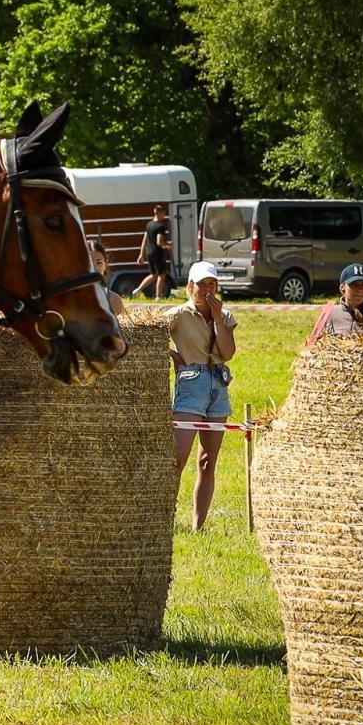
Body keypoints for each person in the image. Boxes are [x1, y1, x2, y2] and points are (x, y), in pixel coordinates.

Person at [166, 260, 238, 531]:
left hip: (218, 384)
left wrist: (218, 319)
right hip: (191, 382)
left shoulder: (226, 316)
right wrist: (174, 356)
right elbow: (149, 337)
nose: (207, 289)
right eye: (201, 284)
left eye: (211, 284)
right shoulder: (177, 315)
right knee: (178, 457)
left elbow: (228, 352)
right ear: (190, 287)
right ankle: (165, 518)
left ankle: (198, 526)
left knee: (207, 460)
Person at [313, 261, 363, 341]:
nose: (360, 290)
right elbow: (313, 347)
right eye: (354, 284)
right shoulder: (328, 317)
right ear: (342, 287)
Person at [132, 205, 171, 299]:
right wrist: (168, 246)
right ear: (159, 213)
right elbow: (159, 242)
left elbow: (144, 240)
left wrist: (141, 254)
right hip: (157, 252)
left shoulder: (149, 224)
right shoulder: (160, 226)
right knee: (162, 275)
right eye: (163, 213)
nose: (164, 216)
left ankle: (137, 290)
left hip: (149, 252)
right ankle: (158, 296)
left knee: (153, 274)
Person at [86, 237, 125, 316]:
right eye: (88, 263)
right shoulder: (70, 301)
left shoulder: (114, 300)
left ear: (105, 264)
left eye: (99, 263)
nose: (94, 268)